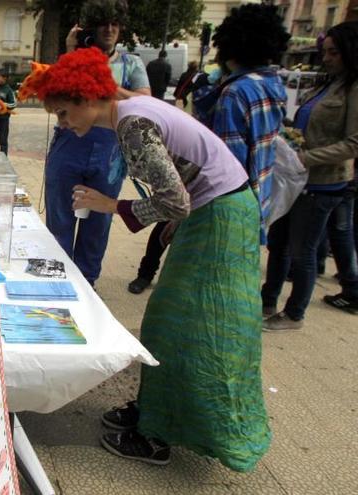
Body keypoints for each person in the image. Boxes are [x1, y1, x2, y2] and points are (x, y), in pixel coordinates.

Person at [21, 47, 269, 471]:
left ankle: (158, 435)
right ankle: (154, 412)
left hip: (220, 217)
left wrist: (114, 205)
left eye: (63, 114)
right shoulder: (130, 107)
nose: (63, 125)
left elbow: (175, 201)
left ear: (85, 100)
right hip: (220, 210)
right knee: (168, 323)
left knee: (187, 329)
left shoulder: (132, 124)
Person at [45, 0, 150, 286]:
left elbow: (145, 102)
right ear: (91, 27)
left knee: (98, 222)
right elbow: (56, 96)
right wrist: (70, 53)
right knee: (59, 218)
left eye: (115, 23)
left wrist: (107, 85)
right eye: (103, 23)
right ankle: (59, 282)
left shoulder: (131, 64)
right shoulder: (75, 60)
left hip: (110, 154)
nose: (110, 29)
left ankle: (86, 284)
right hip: (68, 147)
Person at [262, 21, 358, 328]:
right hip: (295, 179)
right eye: (325, 51)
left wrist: (306, 157)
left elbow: (353, 143)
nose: (327, 58)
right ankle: (267, 302)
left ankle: (294, 313)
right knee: (278, 244)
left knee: (303, 250)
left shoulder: (353, 89)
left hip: (323, 183)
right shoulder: (325, 84)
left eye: (334, 52)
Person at [197, 4, 288, 243]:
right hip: (259, 200)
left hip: (229, 209)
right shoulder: (273, 85)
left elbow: (227, 164)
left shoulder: (235, 93)